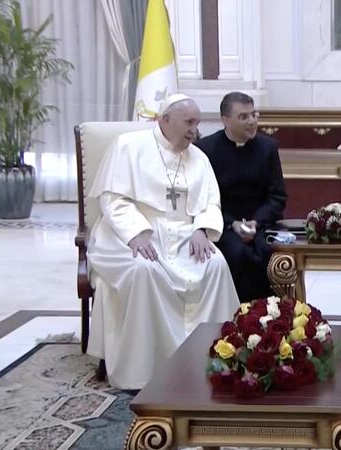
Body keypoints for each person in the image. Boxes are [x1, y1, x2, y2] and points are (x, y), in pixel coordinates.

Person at [86, 94, 239, 390]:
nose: (194, 130)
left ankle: (210, 357)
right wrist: (136, 232)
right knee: (146, 271)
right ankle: (146, 368)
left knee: (215, 264)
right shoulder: (129, 147)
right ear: (164, 120)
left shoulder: (199, 158)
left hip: (184, 234)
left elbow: (210, 204)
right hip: (129, 234)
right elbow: (113, 199)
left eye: (197, 123)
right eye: (188, 122)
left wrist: (201, 230)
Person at [197, 92, 287, 302]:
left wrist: (256, 222)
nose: (252, 121)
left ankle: (272, 313)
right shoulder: (206, 150)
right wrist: (233, 224)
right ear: (226, 120)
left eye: (253, 114)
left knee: (267, 252)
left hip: (261, 222)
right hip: (223, 223)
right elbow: (203, 199)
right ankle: (237, 314)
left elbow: (277, 196)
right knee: (237, 253)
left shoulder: (268, 147)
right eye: (243, 117)